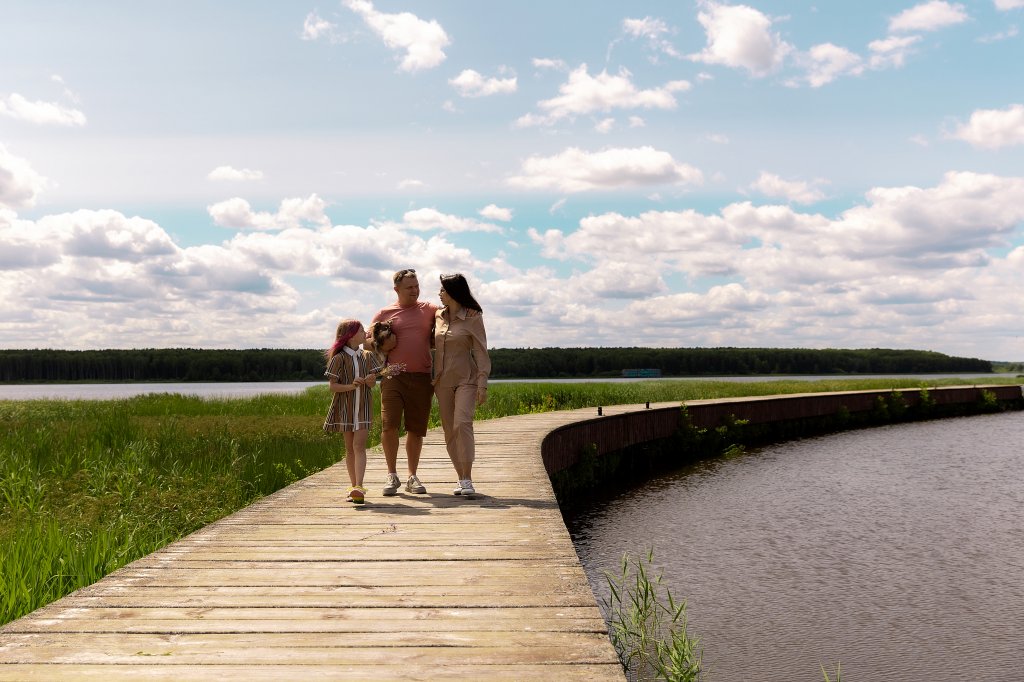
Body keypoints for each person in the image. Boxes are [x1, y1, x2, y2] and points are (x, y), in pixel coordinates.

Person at [370, 269, 438, 496]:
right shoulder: (384, 313)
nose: (415, 290)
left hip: (421, 376)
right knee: (389, 425)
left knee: (416, 429)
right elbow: (367, 344)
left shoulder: (429, 309)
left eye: (417, 286)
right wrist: (384, 343)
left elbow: (449, 325)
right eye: (409, 287)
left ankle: (412, 476)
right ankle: (391, 475)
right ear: (396, 289)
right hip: (392, 376)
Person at [433, 273, 491, 497]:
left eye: (443, 290)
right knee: (449, 430)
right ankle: (460, 478)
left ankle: (467, 479)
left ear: (453, 292)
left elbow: (480, 351)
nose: (439, 294)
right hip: (442, 382)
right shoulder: (437, 315)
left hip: (467, 378)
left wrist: (482, 383)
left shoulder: (473, 317)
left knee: (462, 423)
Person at [323, 319, 378, 505]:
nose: (366, 334)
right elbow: (333, 387)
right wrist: (351, 385)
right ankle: (353, 486)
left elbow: (372, 384)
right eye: (362, 331)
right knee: (349, 449)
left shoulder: (368, 356)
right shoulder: (338, 358)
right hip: (345, 408)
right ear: (351, 335)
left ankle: (359, 487)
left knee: (359, 446)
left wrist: (371, 379)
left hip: (363, 408)